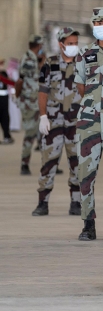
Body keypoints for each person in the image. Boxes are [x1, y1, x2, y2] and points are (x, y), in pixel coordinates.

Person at [74, 7, 103, 241]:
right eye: (94, 22)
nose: (96, 26)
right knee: (86, 174)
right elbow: (81, 86)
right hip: (89, 121)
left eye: (100, 21)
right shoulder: (84, 53)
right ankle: (88, 224)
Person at [32, 27, 82, 216]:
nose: (73, 47)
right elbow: (43, 91)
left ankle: (76, 203)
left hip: (75, 122)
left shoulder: (82, 64)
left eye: (75, 43)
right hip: (53, 121)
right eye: (70, 43)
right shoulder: (49, 64)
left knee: (77, 162)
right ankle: (42, 202)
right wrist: (43, 115)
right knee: (48, 162)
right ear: (61, 44)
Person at [16, 35, 44, 174]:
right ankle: (24, 164)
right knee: (30, 133)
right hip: (29, 103)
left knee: (42, 132)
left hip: (34, 102)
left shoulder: (31, 58)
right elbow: (27, 78)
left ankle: (49, 164)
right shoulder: (29, 59)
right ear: (38, 46)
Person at [0, 65, 14, 145]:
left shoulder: (3, 74)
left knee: (5, 118)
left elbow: (10, 82)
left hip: (4, 100)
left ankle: (7, 136)